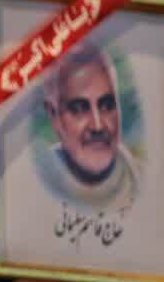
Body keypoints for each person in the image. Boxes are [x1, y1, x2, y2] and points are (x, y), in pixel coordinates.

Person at [35, 44, 140, 211]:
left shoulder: (139, 179)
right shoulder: (35, 186)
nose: (97, 126)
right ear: (54, 115)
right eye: (79, 109)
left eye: (106, 105)